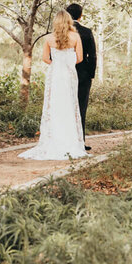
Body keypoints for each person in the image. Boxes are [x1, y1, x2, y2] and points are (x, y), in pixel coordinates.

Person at [19, 10, 89, 160]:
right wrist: (67, 64)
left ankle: (54, 139)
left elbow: (45, 58)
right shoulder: (76, 37)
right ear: (69, 21)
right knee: (69, 105)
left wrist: (57, 64)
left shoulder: (49, 38)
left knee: (54, 105)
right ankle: (70, 141)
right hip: (69, 75)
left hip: (55, 75)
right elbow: (80, 58)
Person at [66, 3, 96, 150]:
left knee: (65, 107)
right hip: (83, 74)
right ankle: (79, 142)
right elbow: (93, 55)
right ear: (80, 15)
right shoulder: (86, 32)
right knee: (81, 107)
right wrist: (90, 74)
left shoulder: (60, 32)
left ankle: (64, 140)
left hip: (63, 73)